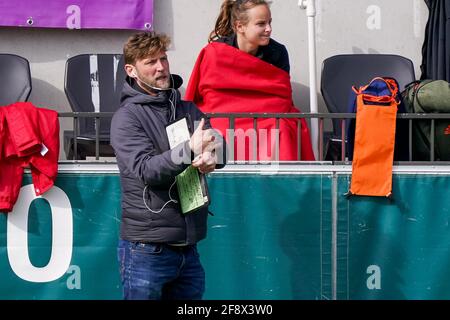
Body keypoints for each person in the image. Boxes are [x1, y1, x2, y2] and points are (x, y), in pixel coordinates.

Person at [110, 31, 226, 300]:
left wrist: (213, 154)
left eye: (163, 59)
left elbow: (217, 142)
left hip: (189, 248)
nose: (160, 67)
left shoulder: (187, 108)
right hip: (146, 250)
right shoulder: (126, 118)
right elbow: (147, 170)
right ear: (131, 70)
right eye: (150, 62)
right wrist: (190, 150)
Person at [186, 0, 314, 161]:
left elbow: (281, 98)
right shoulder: (215, 53)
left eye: (269, 22)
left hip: (268, 117)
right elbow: (210, 97)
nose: (269, 29)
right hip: (225, 116)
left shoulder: (278, 52)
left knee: (282, 128)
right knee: (219, 129)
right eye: (261, 24)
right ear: (240, 26)